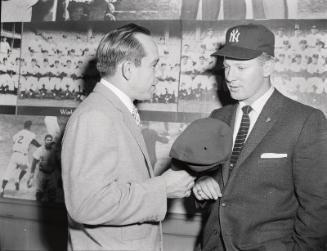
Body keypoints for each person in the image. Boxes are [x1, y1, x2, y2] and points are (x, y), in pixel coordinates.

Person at [192, 23, 327, 251]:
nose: (230, 76)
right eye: (227, 67)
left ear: (268, 67)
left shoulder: (305, 120)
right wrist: (202, 183)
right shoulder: (218, 116)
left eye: (241, 68)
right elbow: (211, 176)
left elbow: (318, 206)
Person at [61, 23, 195, 251]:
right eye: (154, 65)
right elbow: (86, 204)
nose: (158, 75)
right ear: (128, 69)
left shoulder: (115, 111)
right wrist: (161, 188)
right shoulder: (96, 115)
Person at [1, 120, 41, 197]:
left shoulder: (19, 133)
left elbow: (14, 141)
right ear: (30, 126)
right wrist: (41, 146)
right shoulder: (30, 134)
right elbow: (34, 142)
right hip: (23, 156)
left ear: (24, 126)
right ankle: (18, 180)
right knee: (25, 168)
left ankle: (2, 189)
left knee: (8, 173)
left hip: (14, 155)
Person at [27, 134, 58, 202]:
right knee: (39, 192)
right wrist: (32, 173)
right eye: (47, 140)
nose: (49, 141)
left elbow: (58, 161)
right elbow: (34, 161)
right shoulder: (40, 149)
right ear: (44, 141)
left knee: (52, 193)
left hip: (51, 174)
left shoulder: (54, 151)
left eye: (50, 140)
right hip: (42, 173)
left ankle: (50, 210)